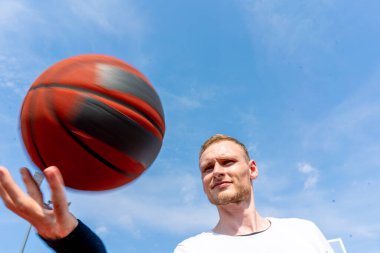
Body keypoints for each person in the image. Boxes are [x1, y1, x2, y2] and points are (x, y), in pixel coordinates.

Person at [0, 134, 334, 252]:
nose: (217, 171)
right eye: (207, 168)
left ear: (252, 169)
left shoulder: (304, 232)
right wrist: (71, 241)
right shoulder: (194, 249)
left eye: (227, 162)